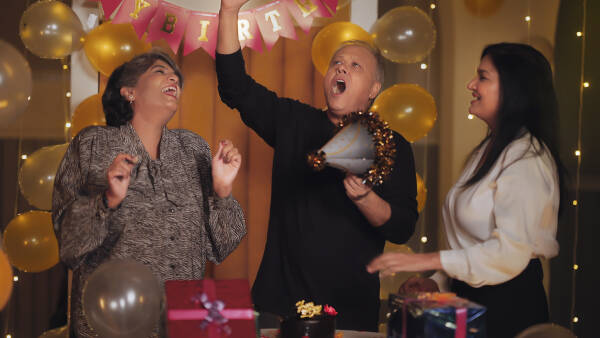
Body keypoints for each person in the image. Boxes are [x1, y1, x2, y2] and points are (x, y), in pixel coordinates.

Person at [216, 0, 418, 332]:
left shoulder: (391, 144)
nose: (341, 69)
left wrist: (365, 198)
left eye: (355, 66)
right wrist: (228, 11)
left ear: (374, 90)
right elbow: (234, 85)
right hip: (279, 305)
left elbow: (402, 226)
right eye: (337, 63)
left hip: (350, 313)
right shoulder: (293, 121)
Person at [367, 43, 565, 337]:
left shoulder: (528, 158)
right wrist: (437, 281)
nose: (471, 85)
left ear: (513, 89)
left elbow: (509, 254)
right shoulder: (490, 148)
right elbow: (470, 247)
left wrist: (427, 259)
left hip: (508, 309)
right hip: (469, 304)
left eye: (483, 77)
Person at [52, 50, 247, 337]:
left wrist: (222, 191)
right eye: (159, 71)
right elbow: (69, 245)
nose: (173, 78)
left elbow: (222, 244)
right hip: (112, 326)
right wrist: (107, 201)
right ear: (129, 91)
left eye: (176, 77)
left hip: (182, 325)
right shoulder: (93, 145)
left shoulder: (193, 149)